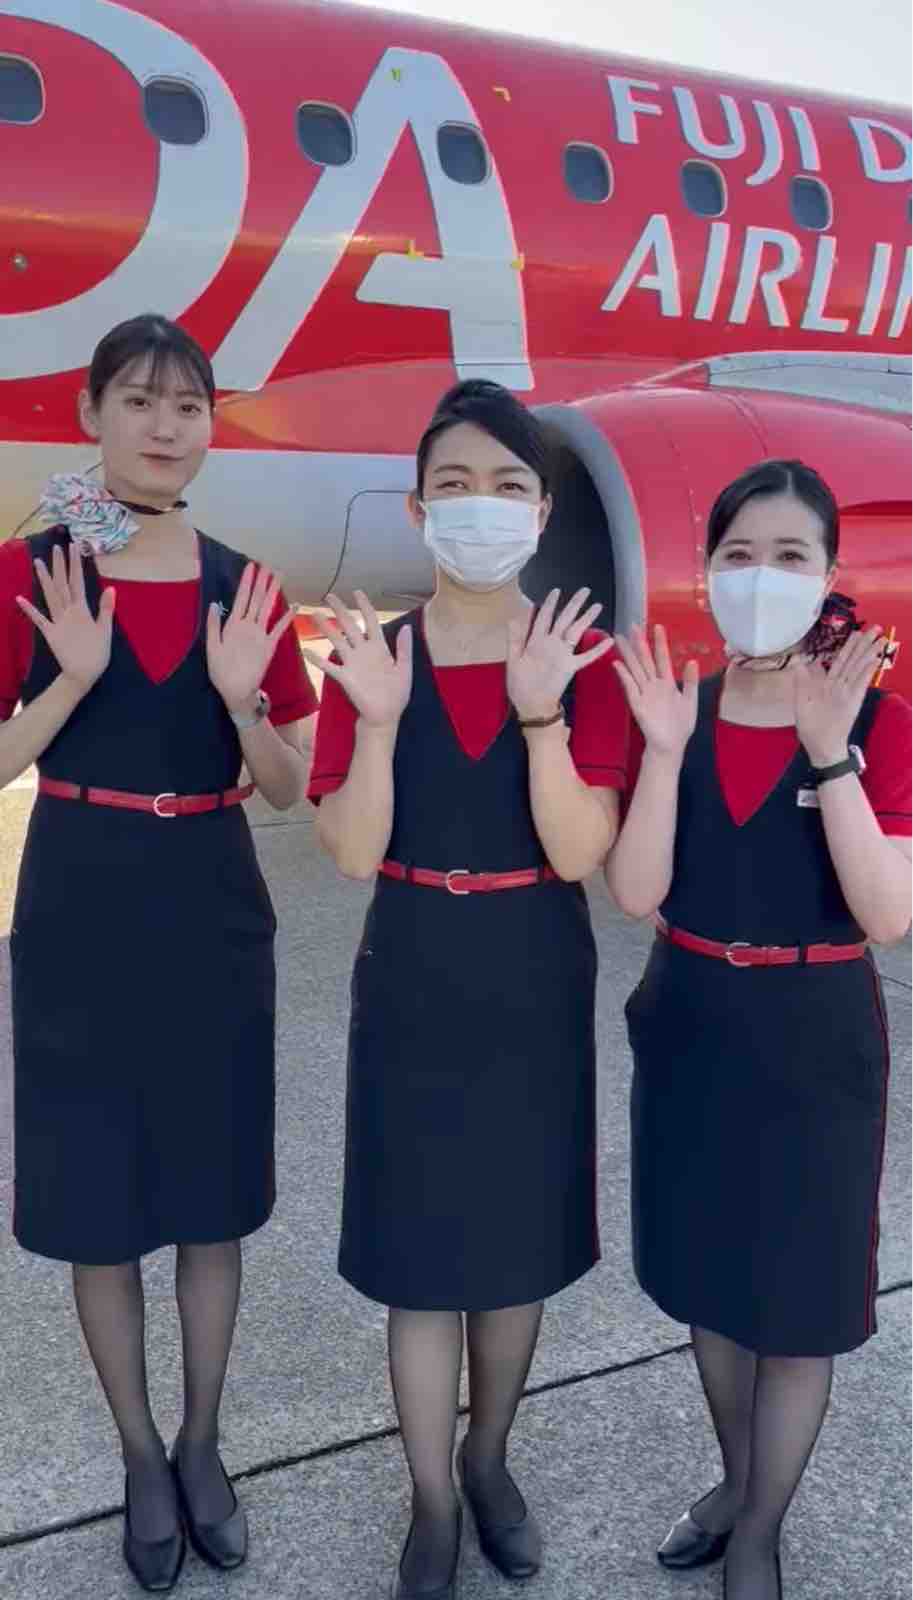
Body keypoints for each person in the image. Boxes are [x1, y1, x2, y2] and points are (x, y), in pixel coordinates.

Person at [2, 314, 317, 1591]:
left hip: (209, 893)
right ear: (92, 412)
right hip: (80, 890)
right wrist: (71, 678)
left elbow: (289, 786)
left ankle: (201, 1440)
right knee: (97, 1197)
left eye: (188, 405)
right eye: (138, 400)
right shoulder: (36, 566)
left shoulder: (247, 584)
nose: (165, 426)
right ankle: (139, 1452)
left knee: (208, 1193)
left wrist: (243, 700)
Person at [304, 379, 630, 1597]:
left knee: (511, 1242)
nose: (478, 506)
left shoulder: (580, 656)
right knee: (417, 1250)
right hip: (413, 966)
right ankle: (431, 1500)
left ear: (540, 512)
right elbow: (350, 852)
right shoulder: (373, 660)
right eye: (453, 484)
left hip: (532, 964)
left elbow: (581, 849)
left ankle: (489, 1457)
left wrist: (540, 718)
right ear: (417, 507)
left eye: (505, 486)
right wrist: (377, 724)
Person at [604, 460, 911, 1600]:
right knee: (710, 1284)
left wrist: (830, 755)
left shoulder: (880, 721)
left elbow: (887, 913)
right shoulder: (671, 710)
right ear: (706, 569)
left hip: (814, 1039)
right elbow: (636, 891)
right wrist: (662, 751)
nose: (761, 576)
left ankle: (760, 1533)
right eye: (739, 554)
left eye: (790, 557)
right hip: (690, 1024)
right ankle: (737, 1483)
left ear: (827, 575)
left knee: (795, 1306)